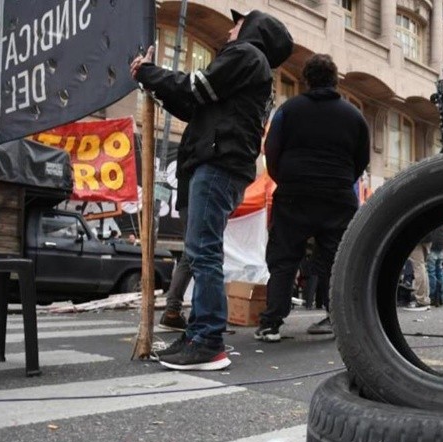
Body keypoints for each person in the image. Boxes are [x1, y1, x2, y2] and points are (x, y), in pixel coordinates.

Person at [132, 9, 293, 370]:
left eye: (238, 23)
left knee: (203, 252)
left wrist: (149, 72)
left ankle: (207, 340)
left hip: (218, 163)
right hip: (217, 162)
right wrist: (154, 82)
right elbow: (194, 104)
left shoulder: (245, 56)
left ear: (253, 30)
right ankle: (198, 334)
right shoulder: (252, 68)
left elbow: (195, 86)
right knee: (200, 249)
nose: (231, 28)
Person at [255, 54, 369, 342]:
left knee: (284, 257)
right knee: (336, 260)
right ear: (335, 80)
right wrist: (342, 179)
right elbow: (362, 159)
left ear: (307, 79)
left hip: (294, 194)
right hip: (338, 196)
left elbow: (272, 149)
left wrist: (287, 179)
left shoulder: (288, 110)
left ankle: (272, 323)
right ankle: (336, 319)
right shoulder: (354, 116)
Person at [159, 208, 191, 332]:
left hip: (188, 203)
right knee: (204, 255)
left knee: (189, 256)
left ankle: (172, 310)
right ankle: (206, 318)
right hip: (201, 202)